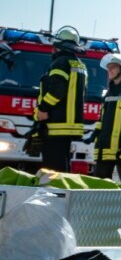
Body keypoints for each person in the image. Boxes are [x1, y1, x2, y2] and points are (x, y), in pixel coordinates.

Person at [35, 26, 87, 173]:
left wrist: (43, 109)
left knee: (52, 169)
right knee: (62, 166)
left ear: (57, 46)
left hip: (57, 123)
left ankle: (54, 195)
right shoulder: (80, 65)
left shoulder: (60, 63)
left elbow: (57, 91)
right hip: (70, 125)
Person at [86, 54, 121, 183]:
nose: (109, 70)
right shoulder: (109, 92)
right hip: (105, 146)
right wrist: (94, 134)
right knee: (99, 184)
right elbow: (103, 118)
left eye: (113, 67)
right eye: (108, 68)